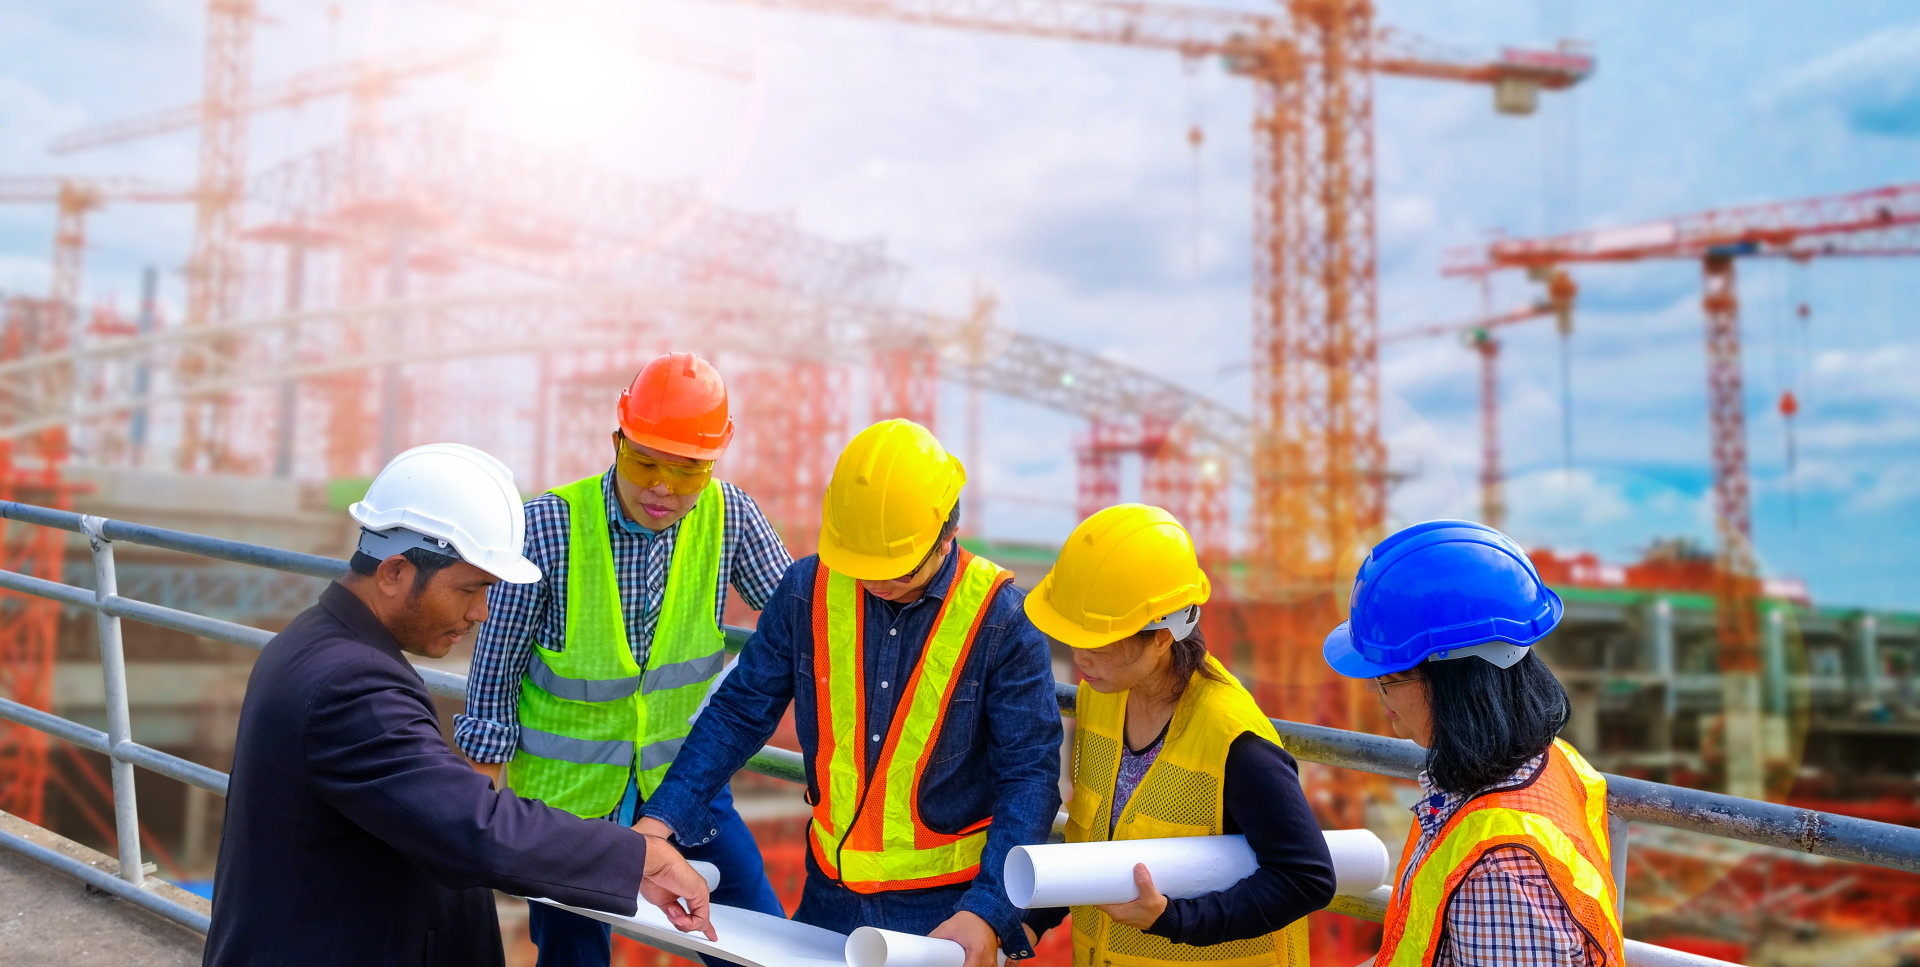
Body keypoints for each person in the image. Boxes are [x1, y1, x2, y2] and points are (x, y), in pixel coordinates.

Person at [204, 443, 714, 967]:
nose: (482, 612)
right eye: (469, 589)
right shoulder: (351, 685)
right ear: (394, 572)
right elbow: (474, 828)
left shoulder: (317, 643)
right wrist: (639, 858)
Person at [636, 419, 1064, 967]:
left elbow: (1028, 778)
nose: (875, 583)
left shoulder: (1002, 621)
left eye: (894, 568)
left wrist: (989, 911)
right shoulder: (807, 589)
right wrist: (660, 821)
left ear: (946, 533)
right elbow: (740, 712)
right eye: (861, 566)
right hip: (829, 897)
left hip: (946, 910)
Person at [453, 353, 790, 966]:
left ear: (713, 463)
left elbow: (801, 620)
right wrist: (477, 821)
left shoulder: (730, 516)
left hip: (683, 791)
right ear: (617, 439)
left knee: (756, 944)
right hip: (566, 806)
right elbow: (493, 680)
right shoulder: (550, 527)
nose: (662, 487)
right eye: (645, 462)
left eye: (687, 471)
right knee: (573, 956)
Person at [1020, 503, 1335, 967]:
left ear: (1163, 636)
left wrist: (1174, 919)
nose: (1078, 656)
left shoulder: (1233, 740)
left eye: (1098, 640)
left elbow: (1307, 878)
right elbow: (1095, 839)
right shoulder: (1101, 698)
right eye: (1073, 635)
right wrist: (1032, 920)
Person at [1321, 519, 1624, 967]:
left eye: (1389, 676)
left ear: (1458, 682)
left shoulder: (1501, 877)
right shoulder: (1550, 761)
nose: (1375, 690)